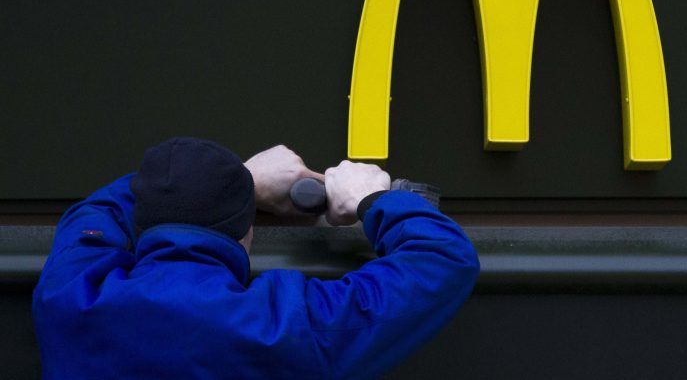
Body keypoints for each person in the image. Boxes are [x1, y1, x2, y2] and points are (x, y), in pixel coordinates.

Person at [32, 137, 480, 379]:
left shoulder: (71, 297)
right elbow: (442, 259)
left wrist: (237, 180)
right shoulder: (284, 325)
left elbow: (97, 211)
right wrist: (373, 199)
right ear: (246, 230)